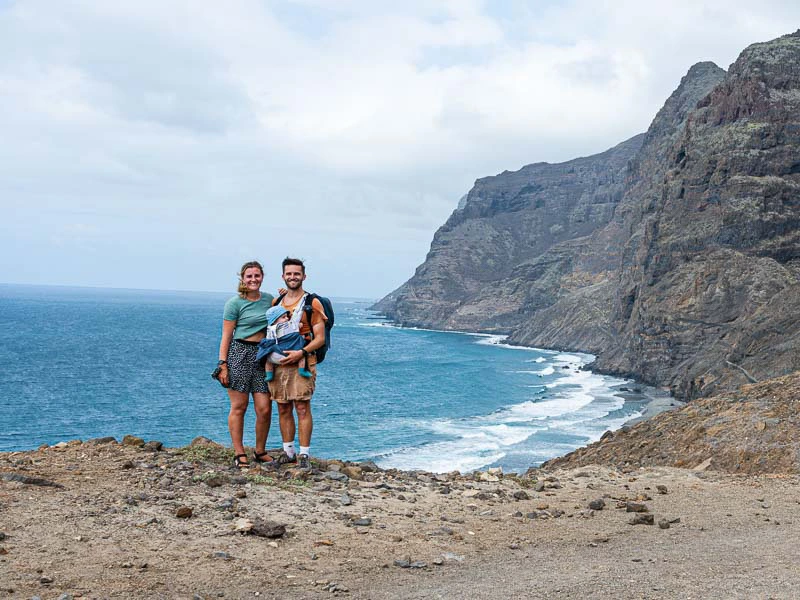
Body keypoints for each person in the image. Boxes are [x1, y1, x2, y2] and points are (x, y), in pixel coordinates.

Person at [216, 260, 275, 469]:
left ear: (262, 277)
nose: (253, 279)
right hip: (239, 353)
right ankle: (239, 452)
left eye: (256, 275)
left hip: (263, 356)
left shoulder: (270, 299)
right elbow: (226, 335)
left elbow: (285, 313)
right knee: (239, 407)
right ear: (242, 278)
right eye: (249, 276)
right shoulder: (234, 303)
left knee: (264, 408)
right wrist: (222, 364)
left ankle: (260, 451)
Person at [270, 257, 327, 469]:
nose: (292, 277)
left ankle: (304, 454)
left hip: (303, 361)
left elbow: (319, 338)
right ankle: (288, 452)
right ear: (283, 276)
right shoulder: (277, 303)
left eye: (296, 274)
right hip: (279, 362)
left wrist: (300, 352)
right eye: (289, 274)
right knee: (283, 407)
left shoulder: (312, 303)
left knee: (302, 407)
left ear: (304, 276)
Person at [257, 306, 313, 381]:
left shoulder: (269, 329)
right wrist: (300, 324)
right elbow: (299, 324)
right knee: (302, 356)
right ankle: (301, 370)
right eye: (283, 317)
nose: (287, 318)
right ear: (274, 320)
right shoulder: (288, 325)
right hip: (287, 354)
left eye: (286, 316)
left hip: (274, 356)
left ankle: (269, 374)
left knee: (268, 360)